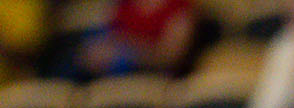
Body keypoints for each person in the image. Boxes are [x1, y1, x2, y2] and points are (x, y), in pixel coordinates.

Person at [67, 0, 203, 79]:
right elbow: (107, 39)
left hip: (156, 78)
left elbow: (169, 58)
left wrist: (127, 49)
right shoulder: (124, 4)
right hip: (109, 76)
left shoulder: (179, 6)